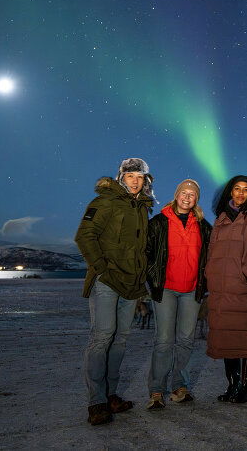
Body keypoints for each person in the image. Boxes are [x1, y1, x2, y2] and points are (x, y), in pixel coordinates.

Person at [75, 158, 154, 425]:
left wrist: (143, 276)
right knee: (102, 338)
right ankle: (96, 401)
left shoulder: (143, 207)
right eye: (130, 175)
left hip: (131, 285)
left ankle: (111, 395)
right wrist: (101, 269)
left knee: (120, 341)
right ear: (121, 178)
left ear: (145, 181)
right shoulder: (105, 201)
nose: (135, 180)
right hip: (107, 281)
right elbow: (84, 236)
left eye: (139, 177)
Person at [145, 179, 212, 410]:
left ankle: (180, 386)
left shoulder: (203, 226)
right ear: (176, 195)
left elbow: (211, 257)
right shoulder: (159, 222)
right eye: (183, 193)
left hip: (192, 290)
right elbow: (147, 254)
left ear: (196, 200)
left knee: (185, 340)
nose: (187, 197)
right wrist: (153, 279)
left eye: (192, 195)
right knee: (164, 340)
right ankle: (156, 390)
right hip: (166, 289)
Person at [205, 175, 247, 403]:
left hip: (243, 286)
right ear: (230, 191)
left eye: (246, 190)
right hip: (220, 287)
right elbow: (212, 250)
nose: (240, 193)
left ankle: (246, 387)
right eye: (236, 189)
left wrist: (245, 272)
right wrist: (210, 272)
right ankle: (233, 385)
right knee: (226, 337)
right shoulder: (220, 218)